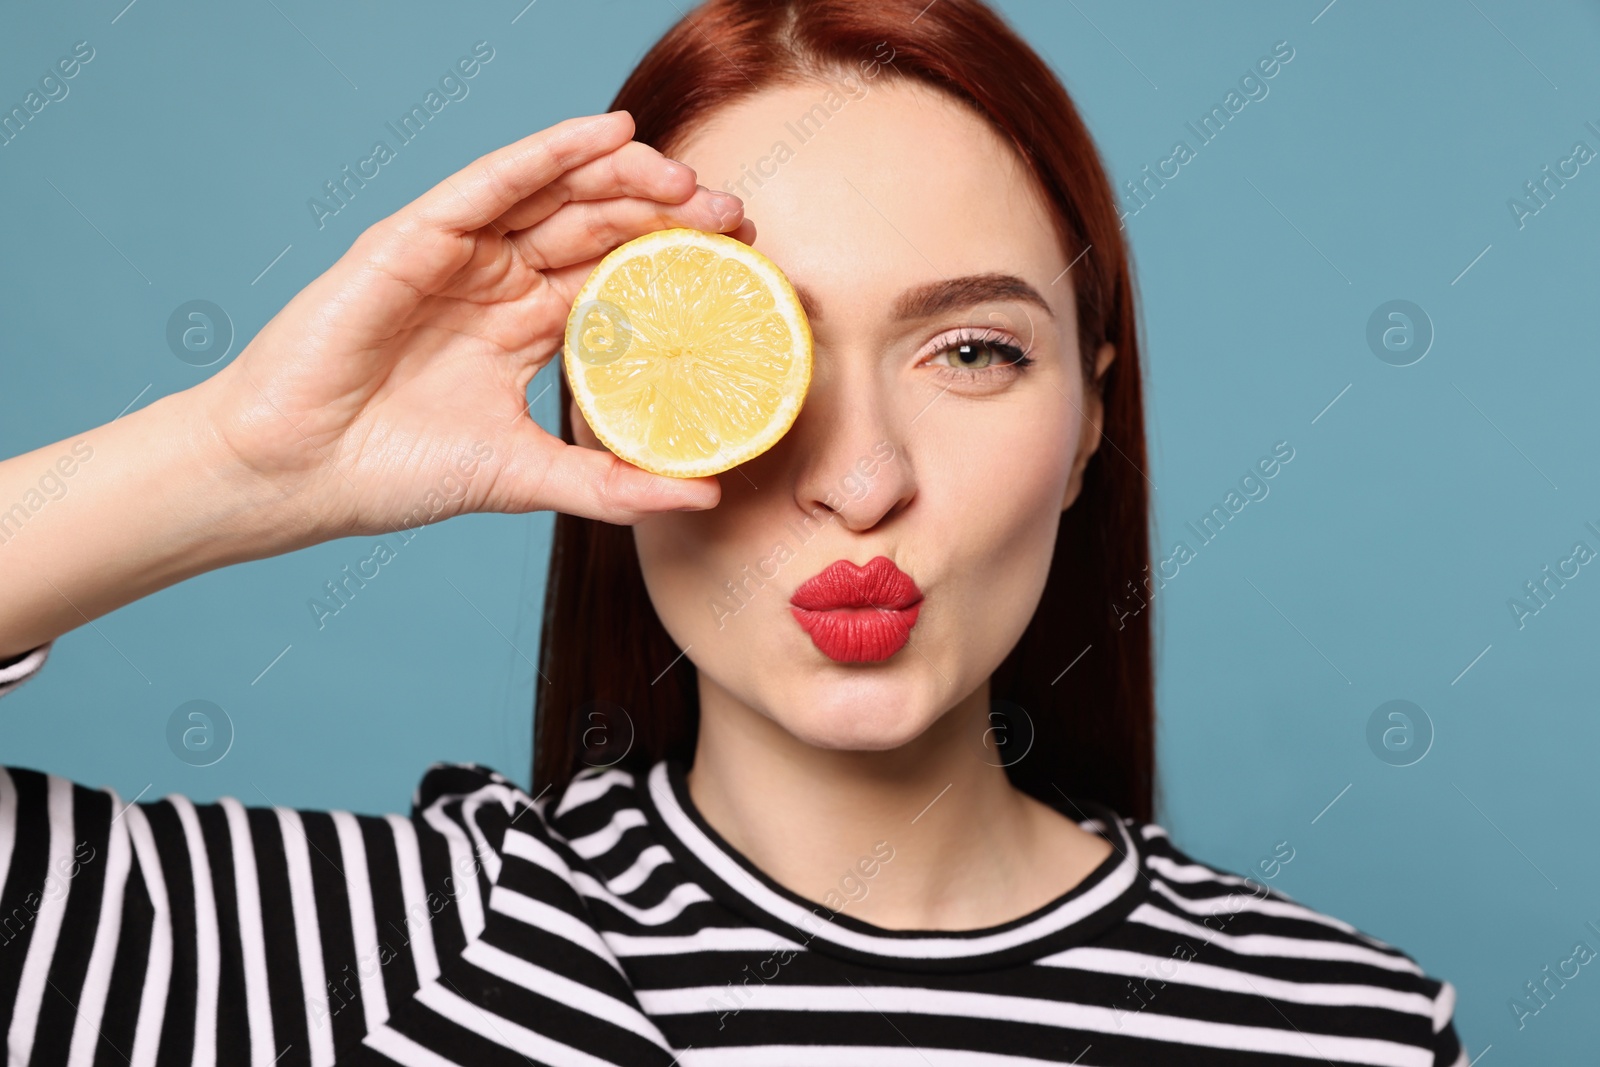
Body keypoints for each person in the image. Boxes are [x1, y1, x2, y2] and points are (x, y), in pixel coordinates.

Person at [0, 0, 1464, 1063]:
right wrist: (245, 458)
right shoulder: (364, 966)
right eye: (764, 359)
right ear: (606, 412)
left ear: (1088, 421)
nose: (862, 478)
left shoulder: (1349, 1028)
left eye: (970, 351)